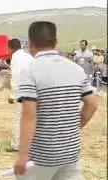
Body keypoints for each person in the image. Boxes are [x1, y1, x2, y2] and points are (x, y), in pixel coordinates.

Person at [13, 21, 99, 180]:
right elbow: (93, 103)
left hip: (41, 155)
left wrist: (23, 155)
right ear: (55, 42)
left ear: (30, 44)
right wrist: (73, 127)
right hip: (70, 153)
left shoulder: (30, 71)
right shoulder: (76, 69)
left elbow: (29, 114)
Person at [6, 38, 35, 152]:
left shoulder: (16, 58)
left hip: (24, 92)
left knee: (20, 119)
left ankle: (17, 145)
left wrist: (12, 95)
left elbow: (16, 77)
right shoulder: (28, 56)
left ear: (10, 48)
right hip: (35, 90)